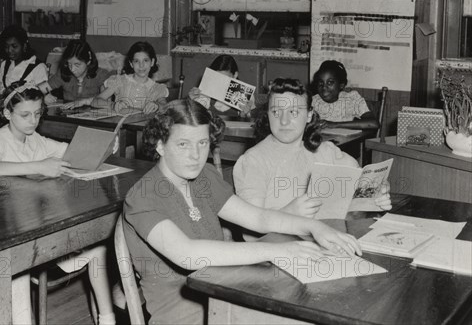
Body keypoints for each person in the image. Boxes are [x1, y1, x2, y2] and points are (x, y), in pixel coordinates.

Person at [123, 98, 362, 325]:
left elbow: (257, 217)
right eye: (183, 144)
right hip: (185, 317)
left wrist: (314, 227)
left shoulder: (203, 176)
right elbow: (188, 254)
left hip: (226, 295)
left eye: (203, 143)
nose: (195, 155)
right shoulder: (142, 197)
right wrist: (276, 251)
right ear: (160, 145)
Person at [0, 83, 117, 325]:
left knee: (97, 250)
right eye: (25, 115)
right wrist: (39, 166)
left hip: (42, 227)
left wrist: (104, 147)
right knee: (18, 274)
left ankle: (107, 319)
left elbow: (70, 151)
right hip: (12, 234)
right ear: (7, 114)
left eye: (37, 114)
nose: (32, 121)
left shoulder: (36, 139)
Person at [233, 78, 391, 221]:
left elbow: (363, 180)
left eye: (293, 112)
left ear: (309, 115)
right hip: (279, 247)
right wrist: (289, 212)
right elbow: (250, 234)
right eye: (276, 112)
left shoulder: (325, 151)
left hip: (324, 240)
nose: (284, 121)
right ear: (267, 114)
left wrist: (376, 196)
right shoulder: (254, 160)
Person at [90, 41, 168, 114]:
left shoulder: (157, 88)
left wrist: (157, 105)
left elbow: (164, 106)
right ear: (131, 64)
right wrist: (113, 105)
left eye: (146, 60)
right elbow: (95, 101)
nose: (141, 65)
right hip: (121, 126)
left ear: (152, 62)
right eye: (136, 61)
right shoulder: (120, 81)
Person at [40, 40, 111, 108]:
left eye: (77, 64)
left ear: (89, 59)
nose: (72, 69)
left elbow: (106, 102)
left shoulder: (101, 75)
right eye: (69, 64)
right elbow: (37, 90)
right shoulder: (64, 73)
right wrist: (43, 96)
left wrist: (84, 101)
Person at [311, 60, 379, 130]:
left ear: (341, 85)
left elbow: (373, 123)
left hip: (346, 140)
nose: (324, 87)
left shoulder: (351, 99)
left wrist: (334, 124)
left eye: (330, 82)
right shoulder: (313, 101)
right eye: (320, 83)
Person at [187, 54, 253, 118]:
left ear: (235, 75)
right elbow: (194, 117)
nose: (220, 82)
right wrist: (190, 102)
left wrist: (244, 114)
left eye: (225, 79)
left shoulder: (244, 95)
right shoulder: (205, 91)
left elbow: (249, 123)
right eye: (216, 78)